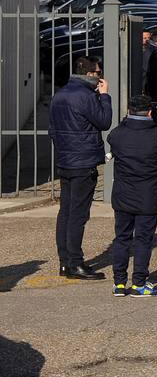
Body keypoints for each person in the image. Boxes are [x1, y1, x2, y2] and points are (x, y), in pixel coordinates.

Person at [106, 95, 157, 297]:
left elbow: (116, 134)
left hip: (123, 194)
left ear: (128, 112)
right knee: (143, 240)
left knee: (122, 238)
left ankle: (119, 283)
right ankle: (138, 283)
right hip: (148, 196)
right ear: (150, 113)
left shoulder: (117, 135)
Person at [49, 55, 111, 280]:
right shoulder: (87, 96)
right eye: (98, 73)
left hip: (65, 159)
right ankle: (75, 262)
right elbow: (104, 121)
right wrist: (105, 97)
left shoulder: (60, 94)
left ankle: (65, 261)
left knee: (66, 211)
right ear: (89, 73)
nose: (100, 77)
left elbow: (52, 129)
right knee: (78, 214)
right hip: (83, 162)